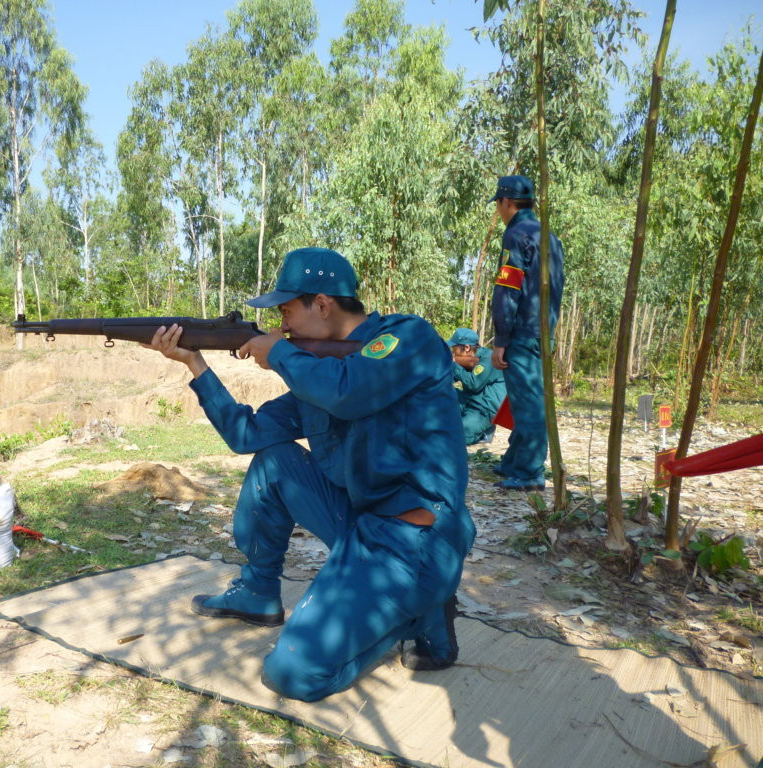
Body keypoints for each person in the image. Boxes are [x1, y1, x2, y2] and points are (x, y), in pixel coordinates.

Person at [144, 246, 475, 703]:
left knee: (293, 674)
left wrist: (281, 354)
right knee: (274, 461)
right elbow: (248, 434)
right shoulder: (318, 373)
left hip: (413, 539)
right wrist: (195, 363)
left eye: (286, 311)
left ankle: (420, 612)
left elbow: (349, 392)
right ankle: (258, 593)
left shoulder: (407, 338)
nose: (281, 327)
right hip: (359, 525)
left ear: (322, 304)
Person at [489, 175, 565, 492]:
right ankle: (515, 461)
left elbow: (508, 291)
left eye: (499, 205)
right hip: (543, 332)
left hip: (522, 332)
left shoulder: (516, 235)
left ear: (507, 203)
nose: (499, 211)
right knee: (526, 400)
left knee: (529, 403)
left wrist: (501, 340)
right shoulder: (550, 237)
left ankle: (530, 471)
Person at [447, 327, 506, 446]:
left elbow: (473, 384)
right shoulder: (467, 359)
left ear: (467, 348)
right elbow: (452, 378)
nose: (454, 353)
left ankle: (484, 432)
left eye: (455, 349)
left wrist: (454, 365)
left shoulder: (487, 358)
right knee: (444, 397)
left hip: (485, 409)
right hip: (471, 399)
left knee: (456, 435)